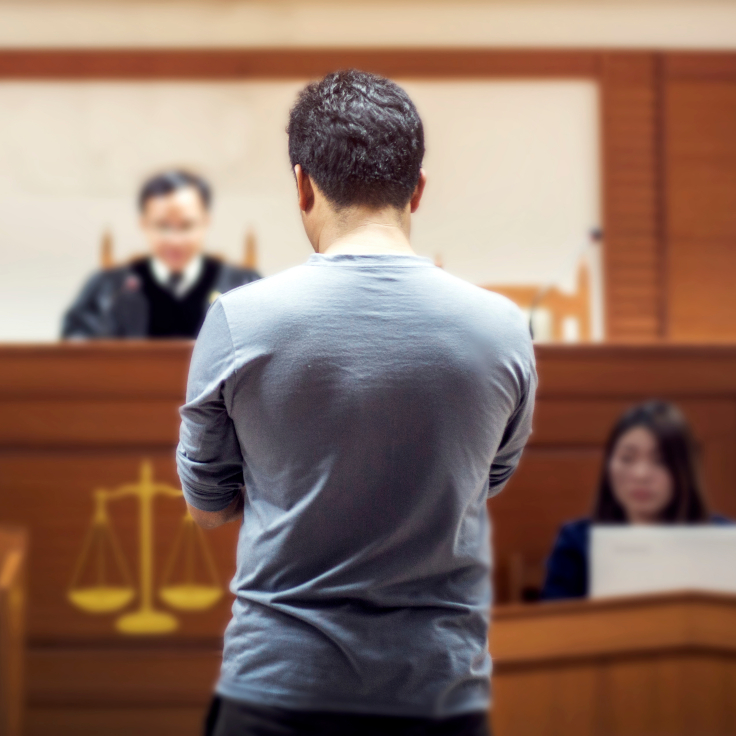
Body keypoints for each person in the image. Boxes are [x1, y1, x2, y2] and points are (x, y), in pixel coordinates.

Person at [177, 70, 537, 736]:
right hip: (439, 697)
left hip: (277, 690)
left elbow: (207, 508)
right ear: (417, 188)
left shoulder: (238, 321)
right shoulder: (503, 329)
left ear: (302, 185)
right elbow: (484, 480)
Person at [542, 400, 730, 600]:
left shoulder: (723, 540)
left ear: (683, 469)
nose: (641, 474)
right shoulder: (577, 541)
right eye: (627, 458)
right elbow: (554, 617)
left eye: (661, 460)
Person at [61, 170, 261, 339]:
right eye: (162, 226)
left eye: (187, 225)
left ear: (206, 222)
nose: (175, 240)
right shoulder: (107, 288)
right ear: (144, 224)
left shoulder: (244, 285)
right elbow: (76, 348)